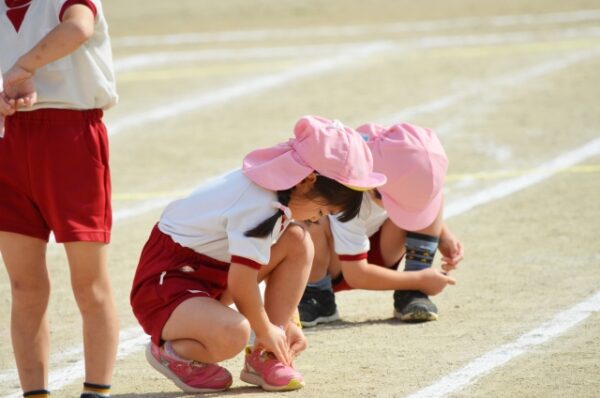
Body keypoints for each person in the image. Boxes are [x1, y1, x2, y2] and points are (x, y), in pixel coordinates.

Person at [129, 115, 387, 393]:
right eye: (323, 211)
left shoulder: (283, 194)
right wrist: (264, 330)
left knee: (298, 240)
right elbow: (242, 282)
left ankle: (263, 357)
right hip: (168, 285)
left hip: (212, 273)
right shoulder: (260, 203)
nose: (318, 218)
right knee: (235, 333)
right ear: (307, 181)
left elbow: (252, 273)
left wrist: (286, 323)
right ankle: (172, 353)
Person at [0, 1, 119, 397]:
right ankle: (35, 392)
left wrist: (22, 68)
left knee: (89, 282)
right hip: (8, 140)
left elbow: (78, 27)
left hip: (71, 136)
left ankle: (96, 390)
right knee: (24, 285)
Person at [298, 121, 464, 327]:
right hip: (338, 266)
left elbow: (423, 194)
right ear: (375, 187)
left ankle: (411, 293)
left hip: (369, 248)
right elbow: (356, 275)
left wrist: (443, 234)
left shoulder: (379, 155)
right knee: (311, 217)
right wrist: (420, 279)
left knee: (430, 195)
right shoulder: (348, 196)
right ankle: (317, 294)